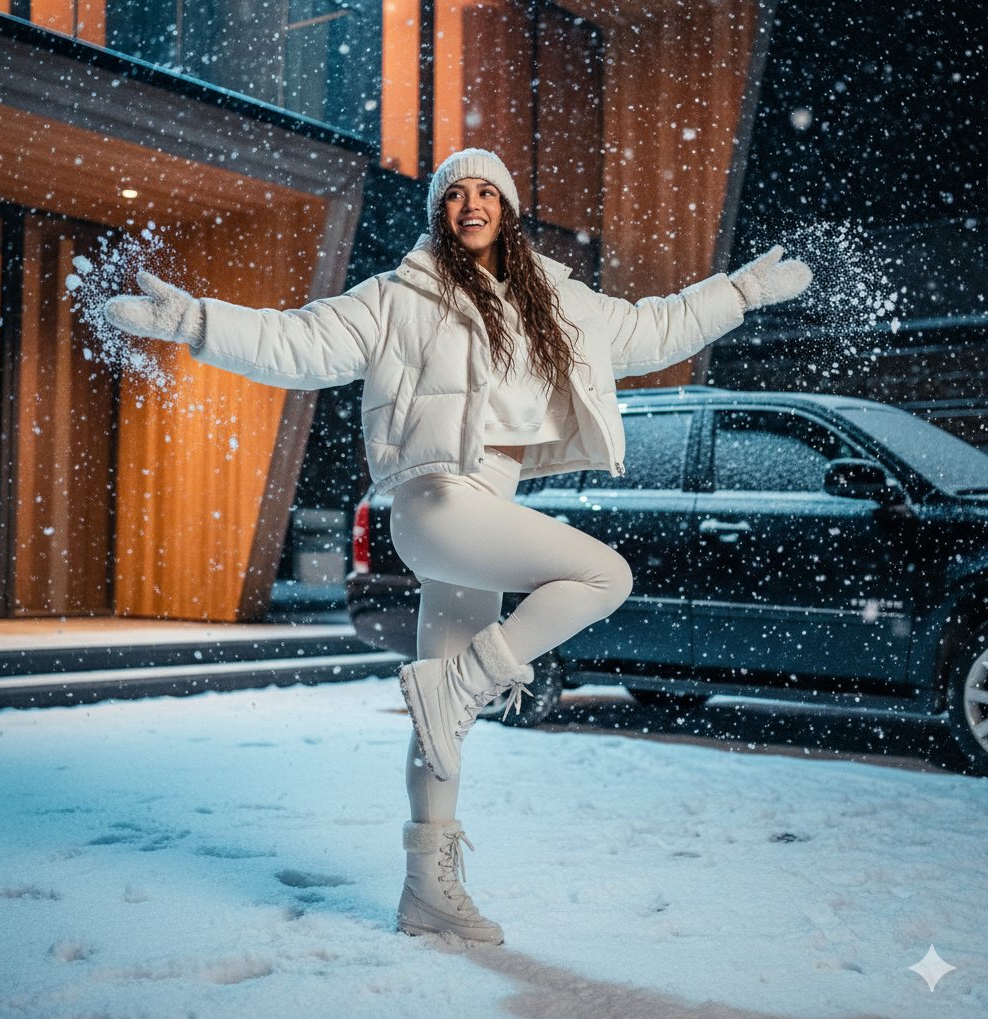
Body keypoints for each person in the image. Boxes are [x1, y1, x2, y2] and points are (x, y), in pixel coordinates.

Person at [104, 148, 812, 946]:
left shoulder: (558, 302)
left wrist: (743, 291)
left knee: (444, 724)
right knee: (602, 573)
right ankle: (465, 686)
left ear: (507, 208)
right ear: (439, 213)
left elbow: (655, 328)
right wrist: (197, 321)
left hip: (487, 507)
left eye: (486, 192)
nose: (471, 204)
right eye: (455, 194)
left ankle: (426, 891)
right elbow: (299, 343)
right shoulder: (400, 297)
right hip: (436, 504)